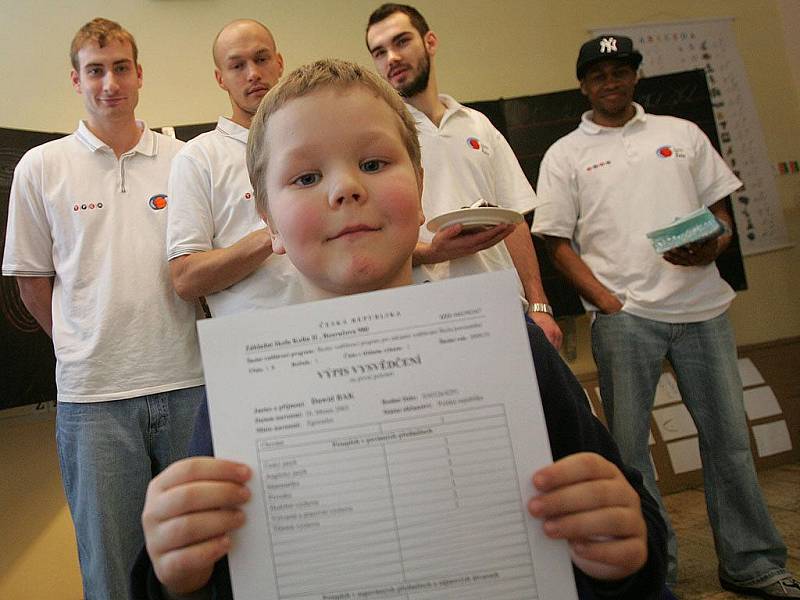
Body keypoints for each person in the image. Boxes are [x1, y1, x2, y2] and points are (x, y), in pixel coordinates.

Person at [132, 58, 667, 600]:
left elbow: (623, 533)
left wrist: (623, 555)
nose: (344, 189)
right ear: (268, 220)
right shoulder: (241, 388)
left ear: (419, 183)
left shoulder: (507, 347)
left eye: (372, 162)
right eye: (307, 176)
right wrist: (175, 578)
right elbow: (217, 575)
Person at [533, 35, 799, 599]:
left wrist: (715, 244)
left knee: (728, 440)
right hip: (626, 320)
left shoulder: (681, 135)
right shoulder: (565, 153)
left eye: (621, 70)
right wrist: (607, 301)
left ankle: (752, 563)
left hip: (704, 309)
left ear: (635, 76)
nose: (611, 81)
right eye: (599, 73)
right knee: (629, 453)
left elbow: (720, 216)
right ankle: (660, 573)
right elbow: (554, 241)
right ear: (583, 84)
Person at [1, 18, 205, 599]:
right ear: (76, 79)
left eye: (120, 68)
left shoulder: (185, 159)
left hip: (188, 385)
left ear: (139, 75)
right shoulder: (40, 168)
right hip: (94, 402)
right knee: (112, 575)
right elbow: (33, 285)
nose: (109, 83)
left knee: (197, 567)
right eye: (96, 70)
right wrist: (79, 341)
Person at [364, 3, 562, 348]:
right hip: (429, 317)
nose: (392, 57)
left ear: (430, 42)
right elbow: (370, 242)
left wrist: (539, 304)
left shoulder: (478, 125)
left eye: (401, 42)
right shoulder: (376, 137)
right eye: (379, 52)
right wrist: (431, 252)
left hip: (506, 307)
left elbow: (512, 219)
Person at [167, 19, 303, 317]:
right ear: (220, 78)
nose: (253, 74)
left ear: (279, 63)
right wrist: (274, 233)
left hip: (337, 327)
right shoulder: (198, 158)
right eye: (237, 66)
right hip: (256, 346)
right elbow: (185, 279)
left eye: (261, 59)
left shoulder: (317, 141)